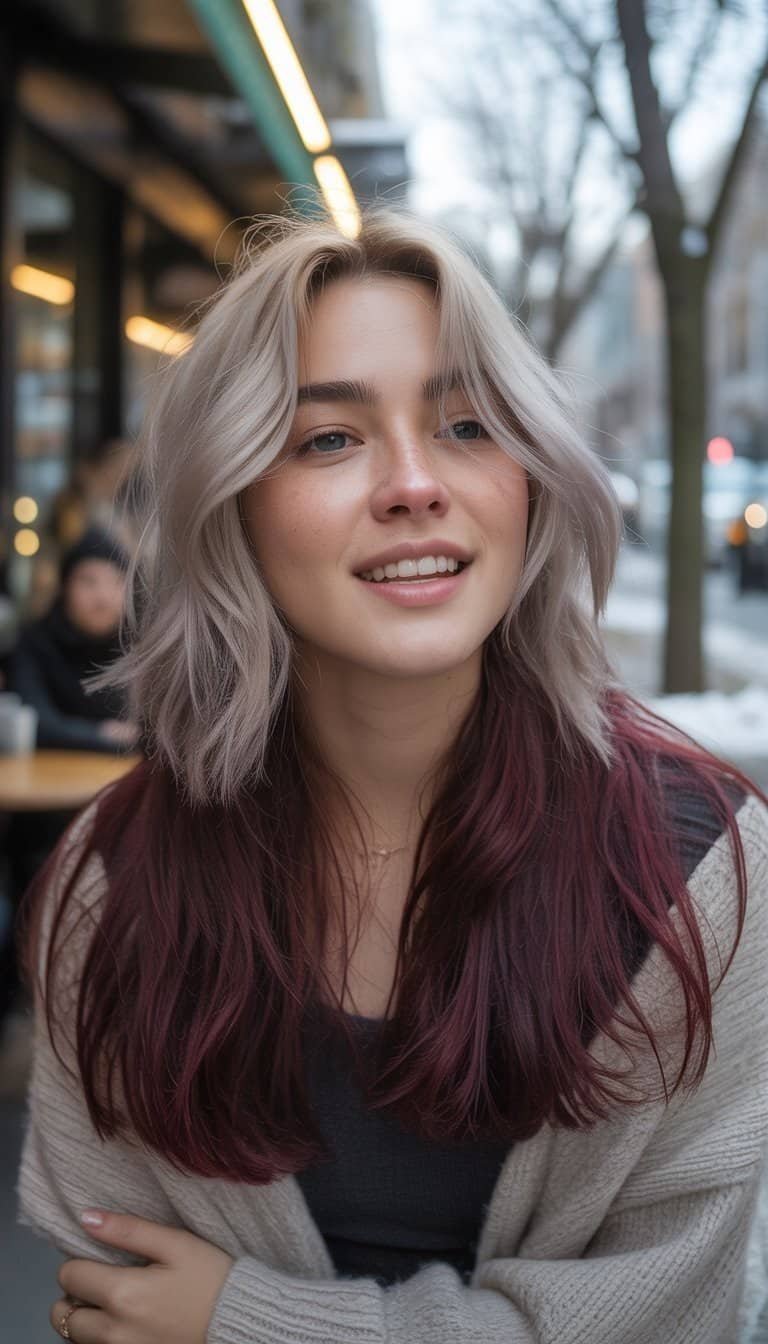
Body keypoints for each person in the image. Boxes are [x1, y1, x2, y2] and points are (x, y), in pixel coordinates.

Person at [15, 206, 768, 1344]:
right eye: (329, 440)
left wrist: (254, 1323)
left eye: (469, 425)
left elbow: (682, 1317)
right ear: (231, 506)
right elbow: (109, 1295)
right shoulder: (109, 894)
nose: (416, 484)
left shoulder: (704, 875)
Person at [10, 526, 139, 754]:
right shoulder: (34, 644)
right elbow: (34, 723)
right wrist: (103, 734)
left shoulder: (139, 647)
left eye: (117, 582)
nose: (103, 596)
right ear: (64, 587)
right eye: (89, 582)